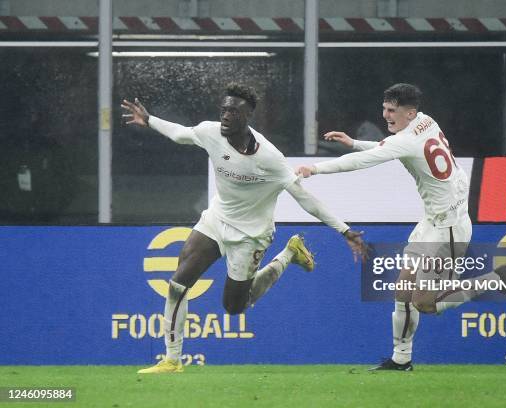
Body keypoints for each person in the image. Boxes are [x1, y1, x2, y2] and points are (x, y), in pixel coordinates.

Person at [122, 83, 365, 374]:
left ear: (247, 115)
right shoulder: (210, 132)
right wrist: (149, 120)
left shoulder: (270, 158)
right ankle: (172, 359)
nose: (225, 116)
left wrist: (344, 230)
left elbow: (305, 199)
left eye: (233, 111)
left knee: (235, 306)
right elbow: (180, 133)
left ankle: (289, 254)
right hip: (217, 219)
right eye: (223, 109)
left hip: (250, 236)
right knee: (178, 284)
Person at [296, 83, 506, 371]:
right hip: (433, 220)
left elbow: (366, 160)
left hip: (449, 228)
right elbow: (392, 148)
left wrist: (314, 169)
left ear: (410, 112)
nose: (386, 115)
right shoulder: (426, 122)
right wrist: (355, 142)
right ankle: (401, 358)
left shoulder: (404, 139)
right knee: (403, 290)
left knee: (425, 303)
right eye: (384, 108)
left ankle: (497, 279)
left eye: (392, 111)